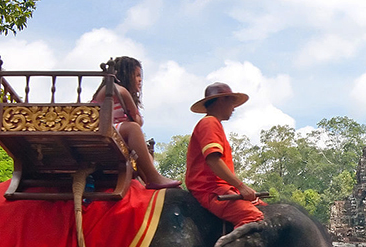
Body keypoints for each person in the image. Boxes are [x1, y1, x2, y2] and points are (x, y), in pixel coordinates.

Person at [93, 56, 180, 189]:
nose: (140, 80)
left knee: (147, 157)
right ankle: (153, 177)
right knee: (133, 128)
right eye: (137, 75)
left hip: (113, 129)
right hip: (103, 128)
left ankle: (149, 182)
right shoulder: (118, 90)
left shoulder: (115, 90)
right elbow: (138, 121)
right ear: (125, 75)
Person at [185, 82, 265, 227]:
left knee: (265, 209)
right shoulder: (209, 123)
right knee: (253, 217)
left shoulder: (214, 123)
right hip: (210, 190)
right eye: (232, 102)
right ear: (222, 100)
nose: (234, 108)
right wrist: (241, 186)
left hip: (222, 189)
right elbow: (213, 160)